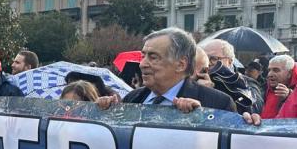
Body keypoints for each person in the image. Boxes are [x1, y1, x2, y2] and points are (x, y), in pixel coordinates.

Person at [96, 28, 236, 114]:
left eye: (153, 57)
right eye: (143, 56)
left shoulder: (217, 103)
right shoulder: (132, 99)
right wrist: (105, 113)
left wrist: (200, 117)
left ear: (181, 64)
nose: (142, 64)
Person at [260, 54, 297, 118]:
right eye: (269, 70)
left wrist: (289, 96)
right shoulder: (264, 89)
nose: (270, 74)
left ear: (289, 73)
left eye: (276, 70)